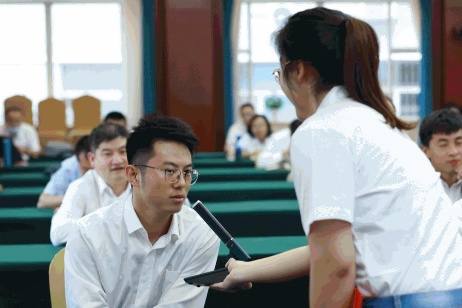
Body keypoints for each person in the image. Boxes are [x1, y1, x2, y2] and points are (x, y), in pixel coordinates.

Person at [213, 7, 462, 307]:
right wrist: (248, 270)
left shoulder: (322, 131)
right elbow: (341, 247)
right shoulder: (376, 124)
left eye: (279, 73)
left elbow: (336, 263)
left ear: (300, 71)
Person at [65, 115, 220, 307]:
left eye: (187, 173)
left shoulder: (200, 235)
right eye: (169, 171)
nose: (181, 183)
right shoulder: (87, 235)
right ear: (133, 174)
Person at [50, 123, 130, 246]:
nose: (118, 160)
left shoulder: (145, 184)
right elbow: (58, 233)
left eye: (123, 151)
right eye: (108, 154)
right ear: (92, 159)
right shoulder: (80, 186)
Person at [419, 108, 462, 203]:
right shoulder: (419, 187)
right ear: (426, 151)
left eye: (459, 142)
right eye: (443, 144)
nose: (453, 152)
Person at [37, 135, 91, 209]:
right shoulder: (67, 168)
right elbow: (42, 201)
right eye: (86, 169)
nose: (90, 173)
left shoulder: (107, 166)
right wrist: (75, 197)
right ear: (78, 156)